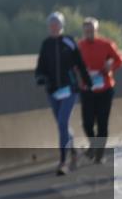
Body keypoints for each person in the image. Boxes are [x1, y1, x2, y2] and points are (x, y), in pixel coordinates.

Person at [35, 12, 92, 176]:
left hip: (70, 89)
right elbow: (40, 66)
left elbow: (80, 63)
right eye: (51, 25)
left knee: (62, 122)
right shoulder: (45, 44)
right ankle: (73, 152)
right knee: (63, 126)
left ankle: (63, 161)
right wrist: (40, 77)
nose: (53, 28)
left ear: (61, 26)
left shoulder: (68, 41)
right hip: (53, 91)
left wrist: (87, 82)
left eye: (56, 25)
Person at [77, 17, 122, 164]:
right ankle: (93, 144)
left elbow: (119, 60)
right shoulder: (79, 46)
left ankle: (99, 153)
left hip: (105, 88)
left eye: (91, 30)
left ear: (96, 30)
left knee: (102, 122)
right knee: (87, 122)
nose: (89, 33)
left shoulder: (106, 44)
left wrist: (110, 67)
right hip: (87, 89)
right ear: (83, 32)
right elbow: (72, 65)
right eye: (86, 31)